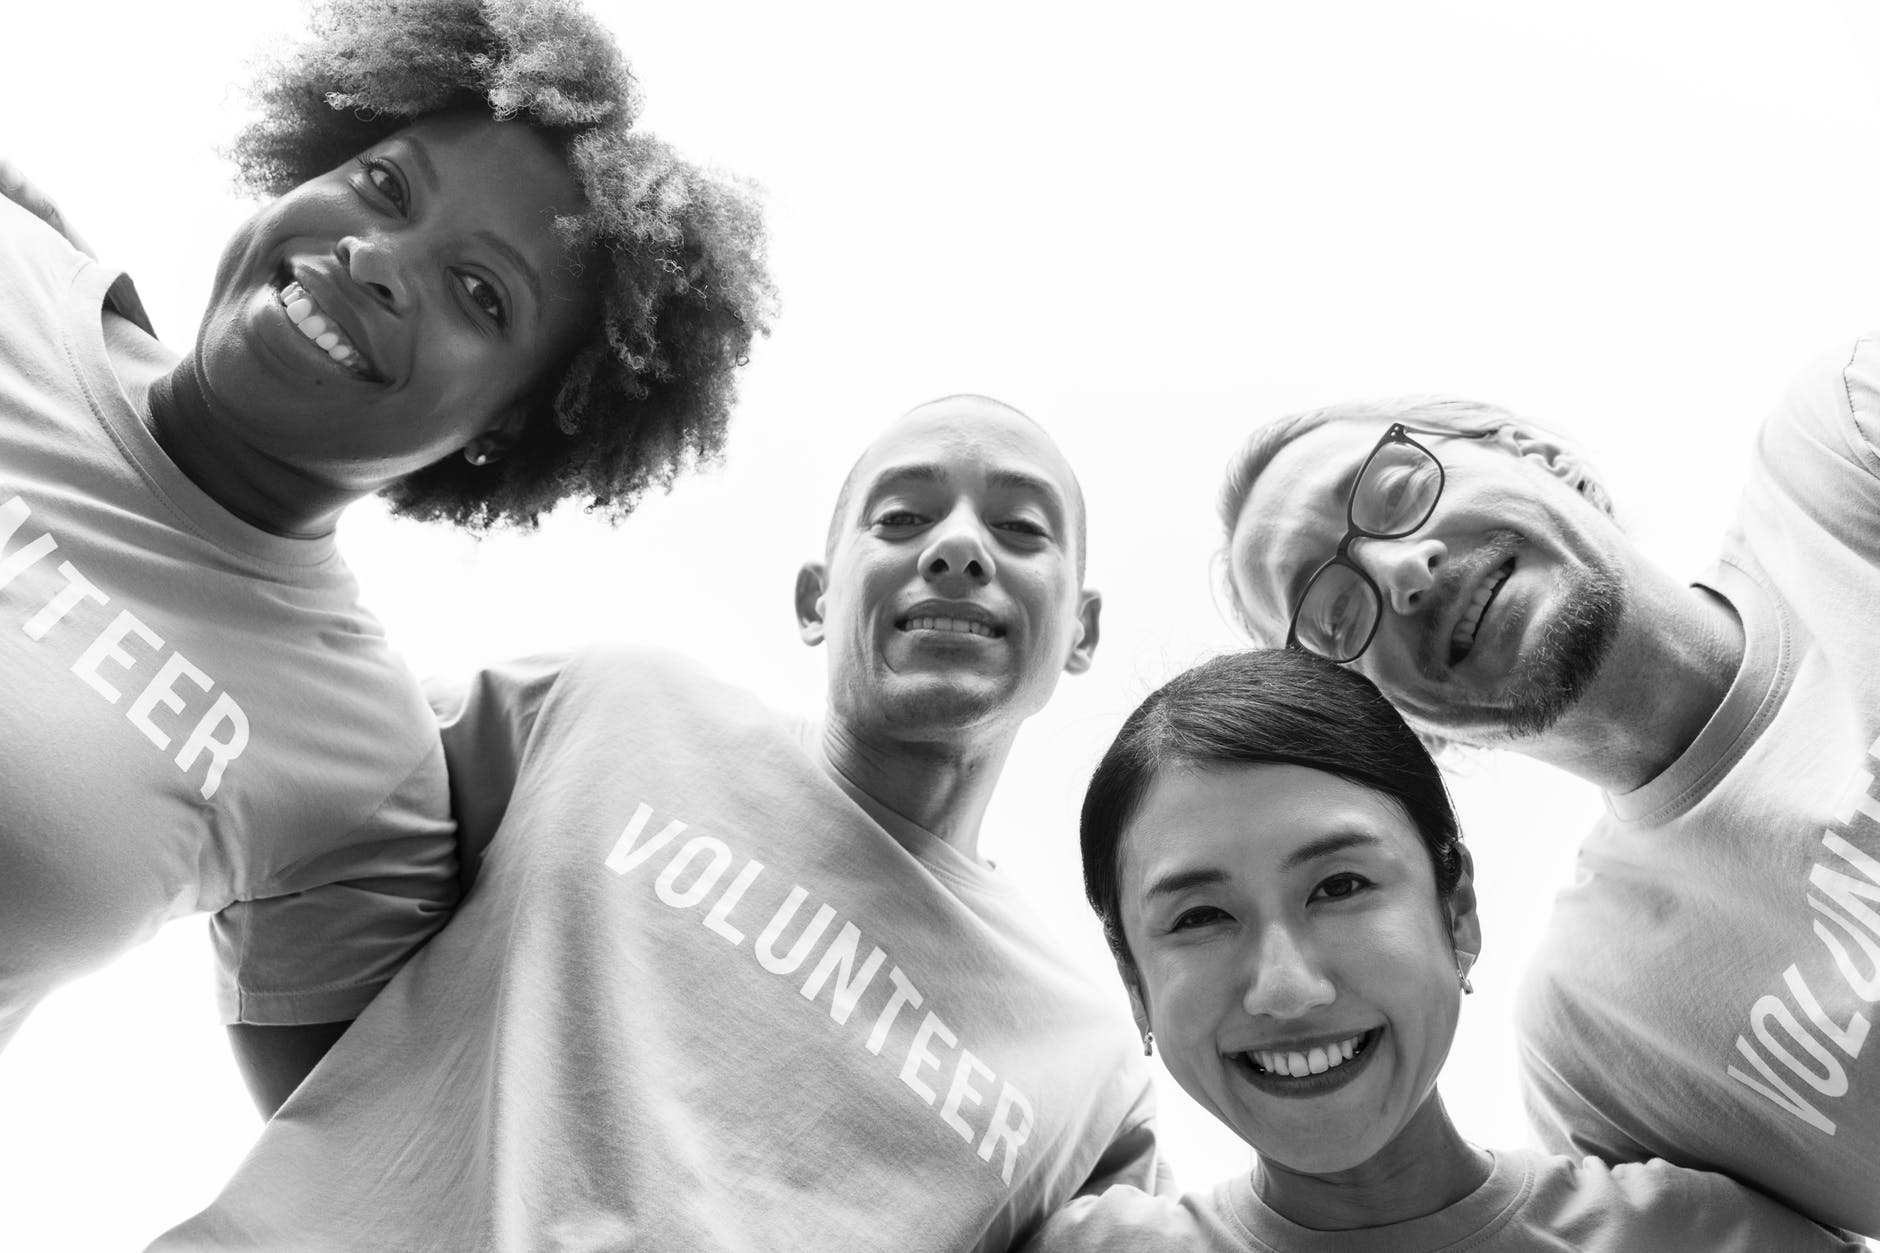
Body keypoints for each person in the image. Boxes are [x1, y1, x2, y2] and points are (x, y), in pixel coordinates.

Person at [150, 395, 1163, 1252]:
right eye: (899, 519)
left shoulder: (1091, 1067)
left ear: (1081, 628)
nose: (954, 549)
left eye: (1020, 530)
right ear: (816, 597)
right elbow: (297, 753)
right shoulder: (611, 708)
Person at [0, 0, 772, 1116]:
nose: (375, 257)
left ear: (510, 424)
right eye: (387, 187)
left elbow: (387, 1174)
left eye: (479, 293)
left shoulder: (360, 767)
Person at [1214, 350, 1880, 1235]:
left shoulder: (1839, 452)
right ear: (1383, 714)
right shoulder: (1599, 1046)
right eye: (1336, 616)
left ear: (1532, 454)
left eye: (1398, 485)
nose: (1404, 571)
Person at [1030, 648, 1858, 1251]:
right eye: (1202, 916)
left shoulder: (1708, 1240)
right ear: (1135, 983)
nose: (1287, 988)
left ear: (1456, 911)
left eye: (1340, 886)